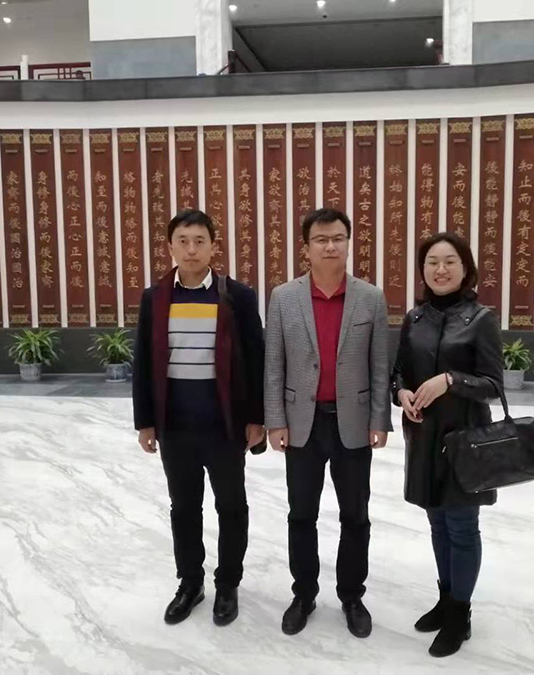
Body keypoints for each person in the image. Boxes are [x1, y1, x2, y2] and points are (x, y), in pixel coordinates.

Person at [132, 209, 265, 628]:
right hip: (176, 427)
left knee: (232, 506)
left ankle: (228, 584)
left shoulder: (237, 296)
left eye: (200, 241)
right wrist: (145, 421)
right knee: (184, 507)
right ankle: (190, 583)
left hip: (224, 425)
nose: (191, 249)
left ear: (213, 246)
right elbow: (144, 361)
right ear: (170, 246)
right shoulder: (155, 297)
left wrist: (257, 417)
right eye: (183, 241)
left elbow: (256, 359)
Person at [264, 207, 393, 639]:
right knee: (301, 513)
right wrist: (275, 420)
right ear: (307, 247)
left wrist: (380, 419)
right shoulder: (284, 297)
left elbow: (379, 365)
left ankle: (352, 596)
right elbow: (274, 365)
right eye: (321, 239)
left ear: (348, 242)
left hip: (352, 422)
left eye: (338, 238)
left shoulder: (370, 298)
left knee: (355, 515)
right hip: (302, 422)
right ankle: (303, 594)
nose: (330, 246)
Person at [389, 232, 503, 658]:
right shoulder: (415, 318)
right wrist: (401, 394)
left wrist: (451, 380)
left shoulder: (481, 319)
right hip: (424, 435)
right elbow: (398, 373)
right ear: (423, 270)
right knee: (437, 522)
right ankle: (445, 599)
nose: (440, 269)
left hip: (465, 439)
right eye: (432, 262)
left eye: (449, 261)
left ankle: (460, 615)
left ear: (465, 268)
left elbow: (493, 385)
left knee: (462, 526)